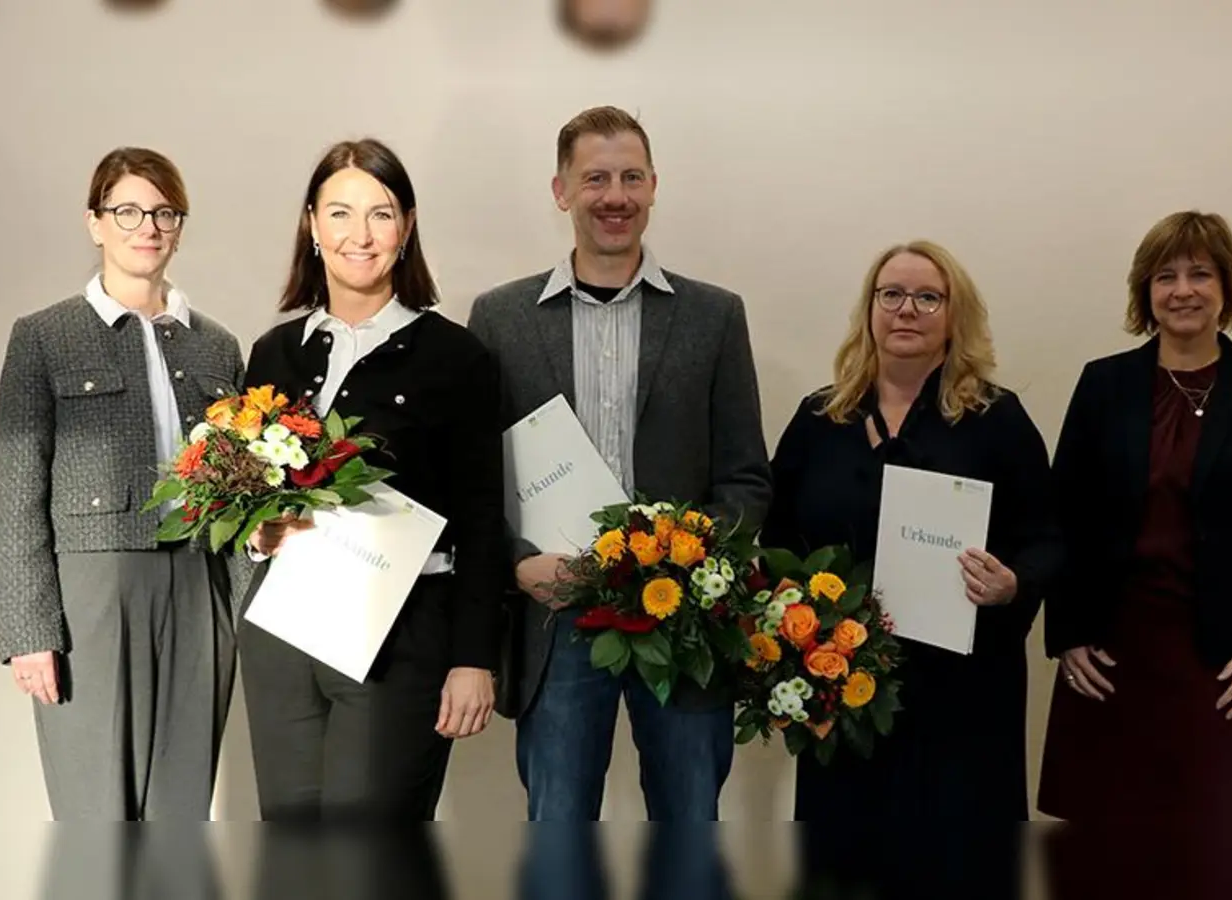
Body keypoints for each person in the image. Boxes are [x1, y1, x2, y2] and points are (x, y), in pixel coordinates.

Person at [467, 105, 771, 821]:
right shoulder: (501, 319)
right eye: (596, 178)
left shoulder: (714, 316)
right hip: (558, 619)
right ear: (561, 191)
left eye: (632, 177)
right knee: (559, 829)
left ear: (654, 186)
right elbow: (476, 482)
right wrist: (516, 564)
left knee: (688, 822)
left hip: (684, 620)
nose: (616, 196)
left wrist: (691, 556)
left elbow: (746, 477)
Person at [760, 240, 1062, 896]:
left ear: (955, 316)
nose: (906, 310)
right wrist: (792, 624)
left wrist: (1012, 583)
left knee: (960, 867)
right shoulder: (820, 418)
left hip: (963, 698)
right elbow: (775, 539)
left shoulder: (997, 419)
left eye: (928, 297)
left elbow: (1047, 538)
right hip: (843, 692)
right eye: (891, 294)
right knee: (845, 869)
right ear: (869, 309)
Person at [1037, 211, 1232, 897]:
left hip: (1228, 672)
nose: (1183, 290)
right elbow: (1062, 517)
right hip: (1115, 662)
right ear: (1146, 291)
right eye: (1165, 276)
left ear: (1227, 286)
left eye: (1200, 273)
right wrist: (1068, 633)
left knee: (1229, 860)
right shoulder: (1102, 385)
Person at [236, 138, 504, 822]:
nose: (360, 235)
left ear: (406, 227)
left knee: (375, 850)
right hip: (284, 633)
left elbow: (481, 517)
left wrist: (473, 659)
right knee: (291, 844)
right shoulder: (273, 353)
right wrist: (257, 532)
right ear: (312, 225)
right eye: (340, 213)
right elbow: (249, 497)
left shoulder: (457, 358)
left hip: (404, 633)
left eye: (380, 214)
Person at [0, 146, 246, 820]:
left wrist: (247, 619)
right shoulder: (44, 337)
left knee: (181, 811)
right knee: (96, 814)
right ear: (95, 222)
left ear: (180, 226)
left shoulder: (217, 345)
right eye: (127, 211)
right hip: (92, 592)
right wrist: (28, 630)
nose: (147, 227)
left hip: (199, 583)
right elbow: (17, 493)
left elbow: (242, 493)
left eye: (164, 213)